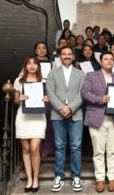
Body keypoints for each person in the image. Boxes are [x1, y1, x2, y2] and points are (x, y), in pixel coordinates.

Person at [81, 52, 114, 193]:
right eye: (106, 59)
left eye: (111, 59)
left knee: (112, 151)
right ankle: (99, 180)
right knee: (98, 152)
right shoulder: (91, 76)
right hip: (96, 118)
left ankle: (111, 178)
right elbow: (85, 93)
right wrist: (101, 99)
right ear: (100, 61)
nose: (109, 61)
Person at [47, 46, 86, 192]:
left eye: (70, 54)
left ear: (74, 56)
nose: (67, 56)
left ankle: (76, 176)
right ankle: (59, 176)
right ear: (60, 56)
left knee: (76, 147)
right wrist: (61, 108)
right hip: (58, 115)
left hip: (76, 115)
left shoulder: (81, 74)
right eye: (64, 54)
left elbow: (82, 94)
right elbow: (50, 93)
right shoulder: (52, 74)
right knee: (60, 146)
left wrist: (70, 108)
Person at [14, 56, 48, 193]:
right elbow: (16, 101)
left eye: (35, 64)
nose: (32, 66)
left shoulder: (43, 81)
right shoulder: (19, 81)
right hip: (23, 117)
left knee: (34, 148)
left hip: (38, 118)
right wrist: (20, 98)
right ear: (25, 66)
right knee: (26, 149)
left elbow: (48, 98)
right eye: (29, 64)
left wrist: (47, 98)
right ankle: (29, 179)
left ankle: (36, 178)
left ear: (38, 66)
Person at [32, 42, 55, 156]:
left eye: (44, 48)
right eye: (39, 48)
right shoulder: (30, 63)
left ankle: (47, 150)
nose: (41, 50)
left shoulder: (52, 64)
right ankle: (37, 150)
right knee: (36, 123)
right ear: (35, 51)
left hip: (48, 95)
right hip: (34, 95)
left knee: (48, 123)